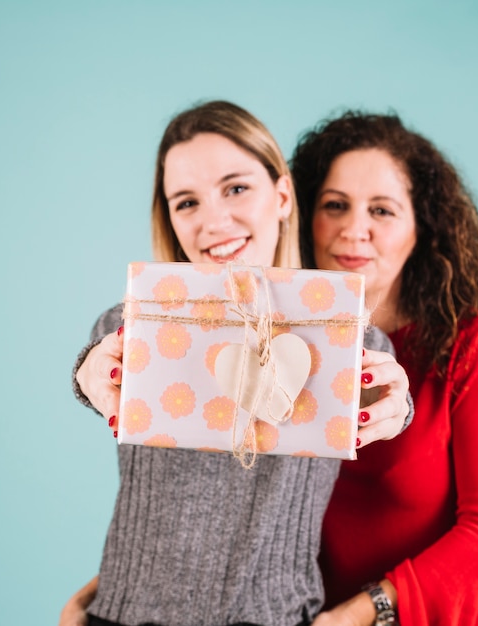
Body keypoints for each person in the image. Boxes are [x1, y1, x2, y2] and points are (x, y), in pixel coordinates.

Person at [60, 101, 413, 626]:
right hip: (124, 616)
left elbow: (385, 392)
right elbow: (99, 364)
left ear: (283, 195)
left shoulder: (349, 336)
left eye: (236, 188)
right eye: (187, 202)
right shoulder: (132, 322)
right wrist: (87, 373)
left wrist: (394, 403)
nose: (213, 221)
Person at [291, 111, 478, 626]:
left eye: (382, 210)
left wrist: (363, 612)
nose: (354, 229)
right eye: (334, 205)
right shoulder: (277, 343)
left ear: (421, 230)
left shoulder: (471, 344)